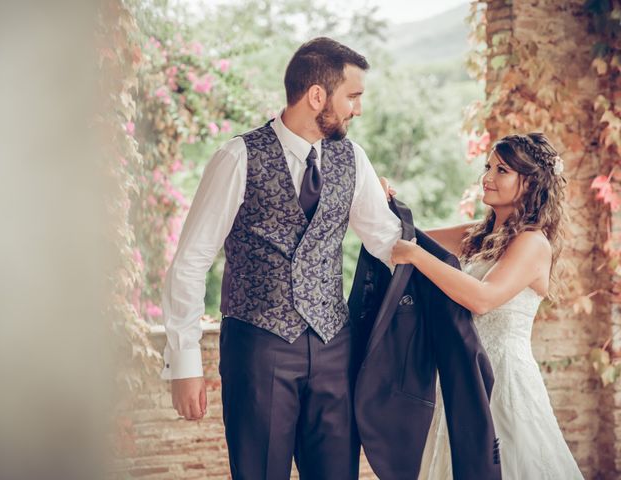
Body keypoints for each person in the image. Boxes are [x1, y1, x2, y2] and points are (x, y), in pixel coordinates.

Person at [160, 37, 402, 479]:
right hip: (258, 348)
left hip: (334, 349)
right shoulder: (237, 157)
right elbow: (191, 261)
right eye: (353, 96)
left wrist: (484, 239)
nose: (358, 110)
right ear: (316, 96)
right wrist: (184, 363)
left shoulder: (353, 158)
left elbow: (388, 241)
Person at [389, 133, 584, 479]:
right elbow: (406, 234)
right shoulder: (476, 235)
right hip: (463, 374)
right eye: (488, 166)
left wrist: (417, 257)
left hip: (505, 380)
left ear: (530, 184)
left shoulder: (533, 242)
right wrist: (383, 197)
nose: (488, 177)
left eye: (502, 170)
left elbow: (482, 298)